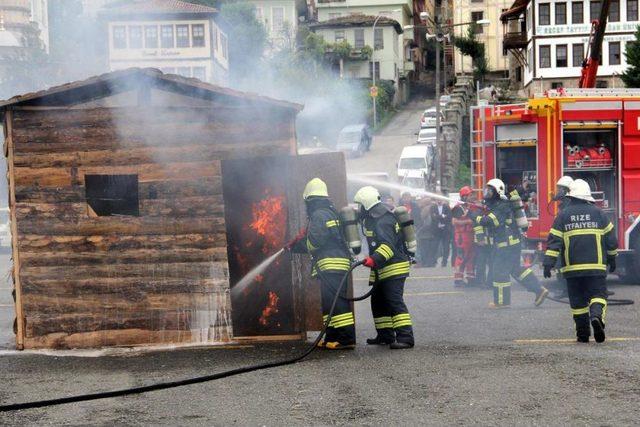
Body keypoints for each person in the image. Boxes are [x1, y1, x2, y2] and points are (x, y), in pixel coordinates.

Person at [543, 179, 617, 343]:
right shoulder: (599, 213)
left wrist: (548, 264)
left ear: (571, 196)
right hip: (596, 268)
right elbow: (611, 239)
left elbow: (554, 241)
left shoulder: (563, 215)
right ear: (587, 196)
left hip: (572, 269)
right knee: (598, 295)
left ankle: (582, 334)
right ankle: (596, 316)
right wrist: (612, 258)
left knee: (578, 302)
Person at [288, 178, 355, 350]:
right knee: (329, 301)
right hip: (334, 264)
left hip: (331, 264)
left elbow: (316, 242)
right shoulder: (328, 212)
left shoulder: (319, 214)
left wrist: (298, 246)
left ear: (309, 199)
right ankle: (331, 336)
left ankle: (346, 339)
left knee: (337, 301)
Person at [354, 186, 414, 349]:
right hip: (383, 268)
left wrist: (373, 259)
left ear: (366, 204)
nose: (359, 209)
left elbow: (388, 246)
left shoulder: (383, 220)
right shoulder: (374, 217)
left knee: (394, 302)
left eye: (360, 205)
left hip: (393, 267)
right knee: (378, 301)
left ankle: (406, 337)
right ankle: (385, 335)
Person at [479, 178, 549, 308]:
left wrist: (474, 216)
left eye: (490, 191)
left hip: (506, 245)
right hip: (511, 244)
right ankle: (539, 290)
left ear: (497, 192)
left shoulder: (501, 206)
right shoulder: (501, 204)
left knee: (499, 272)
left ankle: (501, 302)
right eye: (486, 191)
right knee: (516, 269)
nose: (487, 194)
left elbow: (489, 221)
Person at [550, 175, 574, 298]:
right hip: (567, 241)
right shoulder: (566, 204)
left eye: (560, 189)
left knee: (561, 265)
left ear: (566, 191)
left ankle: (565, 290)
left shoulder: (567, 205)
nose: (558, 192)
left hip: (567, 242)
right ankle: (566, 290)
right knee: (562, 266)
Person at [452, 186, 478, 286]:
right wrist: (468, 221)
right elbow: (454, 222)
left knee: (471, 256)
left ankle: (470, 277)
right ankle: (458, 279)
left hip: (470, 235)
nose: (472, 197)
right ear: (464, 196)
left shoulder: (470, 207)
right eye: (470, 195)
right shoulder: (458, 207)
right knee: (461, 257)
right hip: (462, 236)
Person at [429, 198, 453, 267]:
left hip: (446, 230)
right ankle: (433, 261)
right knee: (434, 246)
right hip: (436, 230)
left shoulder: (447, 207)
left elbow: (449, 217)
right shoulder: (432, 207)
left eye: (440, 199)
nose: (439, 200)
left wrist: (438, 216)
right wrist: (442, 216)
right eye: (437, 199)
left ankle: (444, 262)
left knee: (446, 247)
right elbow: (433, 217)